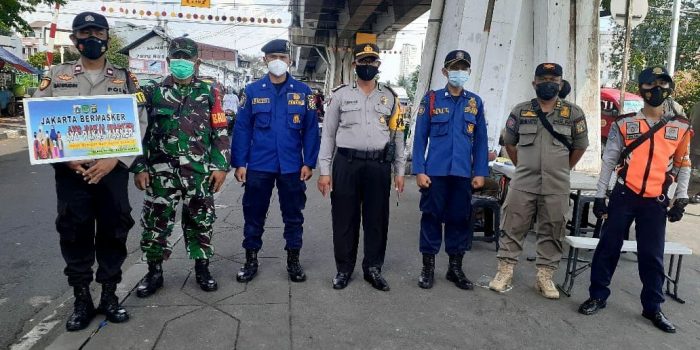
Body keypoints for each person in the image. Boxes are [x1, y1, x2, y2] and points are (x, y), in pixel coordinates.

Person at [33, 11, 147, 331]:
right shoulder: (55, 75)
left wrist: (117, 159)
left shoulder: (125, 78)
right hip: (72, 172)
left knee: (114, 229)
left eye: (97, 32)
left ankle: (109, 296)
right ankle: (82, 299)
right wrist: (64, 158)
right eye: (84, 34)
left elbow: (140, 121)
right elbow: (39, 120)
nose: (91, 38)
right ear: (74, 40)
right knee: (74, 231)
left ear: (108, 37)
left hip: (112, 171)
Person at [578, 66, 693, 333]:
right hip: (623, 194)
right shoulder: (625, 123)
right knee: (608, 247)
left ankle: (653, 307)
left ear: (669, 88)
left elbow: (683, 164)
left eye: (663, 84)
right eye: (651, 84)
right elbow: (608, 161)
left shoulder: (681, 126)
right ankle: (597, 295)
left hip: (656, 199)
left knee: (652, 255)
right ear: (641, 89)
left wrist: (681, 199)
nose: (657, 90)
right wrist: (599, 195)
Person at [132, 37, 230, 297]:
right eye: (177, 58)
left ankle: (202, 268)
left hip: (198, 173)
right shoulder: (151, 91)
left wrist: (220, 166)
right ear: (168, 61)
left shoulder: (209, 91)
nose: (182, 63)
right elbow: (137, 132)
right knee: (155, 223)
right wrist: (139, 166)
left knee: (201, 220)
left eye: (187, 58)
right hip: (160, 174)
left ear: (196, 61)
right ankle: (154, 273)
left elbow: (219, 130)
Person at [488, 63, 589, 299]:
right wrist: (523, 164)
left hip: (557, 183)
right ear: (534, 83)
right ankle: (505, 270)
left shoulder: (573, 113)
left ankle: (545, 276)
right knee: (513, 224)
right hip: (524, 181)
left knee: (553, 227)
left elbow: (580, 146)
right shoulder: (521, 111)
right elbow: (509, 143)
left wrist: (562, 168)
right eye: (543, 79)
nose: (548, 83)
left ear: (561, 83)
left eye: (554, 79)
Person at [317, 43, 406, 291]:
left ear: (378, 65)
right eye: (363, 62)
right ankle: (344, 269)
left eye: (372, 62)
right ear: (355, 64)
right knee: (345, 217)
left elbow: (398, 135)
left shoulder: (390, 97)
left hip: (378, 165)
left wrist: (400, 171)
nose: (368, 66)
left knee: (377, 218)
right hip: (346, 163)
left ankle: (373, 268)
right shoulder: (340, 95)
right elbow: (328, 135)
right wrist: (324, 171)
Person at [232, 39, 319, 283]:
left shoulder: (304, 92)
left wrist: (309, 162)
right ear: (265, 60)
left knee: (293, 215)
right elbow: (242, 129)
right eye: (272, 57)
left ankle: (293, 261)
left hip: (292, 167)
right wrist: (240, 163)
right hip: (259, 165)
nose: (277, 61)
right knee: (253, 213)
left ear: (289, 60)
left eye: (282, 56)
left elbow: (311, 130)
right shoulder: (251, 91)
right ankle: (250, 260)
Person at [411, 50, 489, 290]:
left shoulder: (474, 102)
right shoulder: (432, 99)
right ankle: (428, 267)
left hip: (463, 173)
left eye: (463, 68)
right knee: (431, 217)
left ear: (468, 71)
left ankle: (455, 268)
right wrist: (419, 170)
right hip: (435, 172)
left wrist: (480, 172)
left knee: (459, 219)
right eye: (455, 68)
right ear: (445, 72)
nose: (459, 72)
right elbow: (420, 137)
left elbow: (481, 141)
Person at [689, 102, 700, 203]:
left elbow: (691, 122)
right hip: (696, 146)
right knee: (694, 172)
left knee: (693, 172)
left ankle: (692, 194)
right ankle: (691, 194)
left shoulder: (696, 105)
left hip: (694, 145)